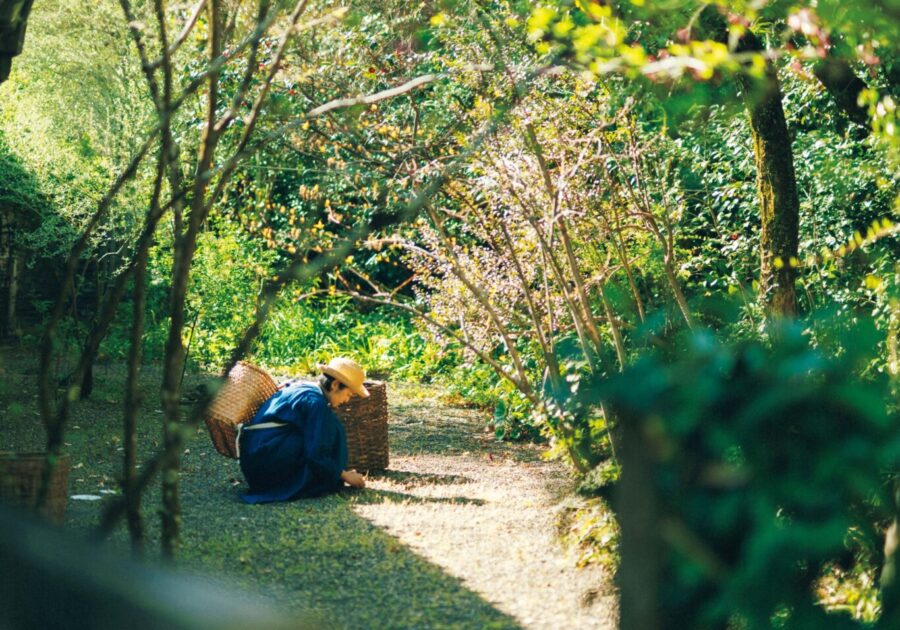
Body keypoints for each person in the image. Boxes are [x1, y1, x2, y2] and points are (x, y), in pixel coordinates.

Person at [238, 357, 369, 504]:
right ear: (335, 385)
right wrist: (343, 475)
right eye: (348, 394)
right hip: (264, 464)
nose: (347, 400)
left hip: (254, 458)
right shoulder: (316, 403)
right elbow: (316, 453)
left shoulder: (304, 386)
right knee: (332, 426)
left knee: (328, 425)